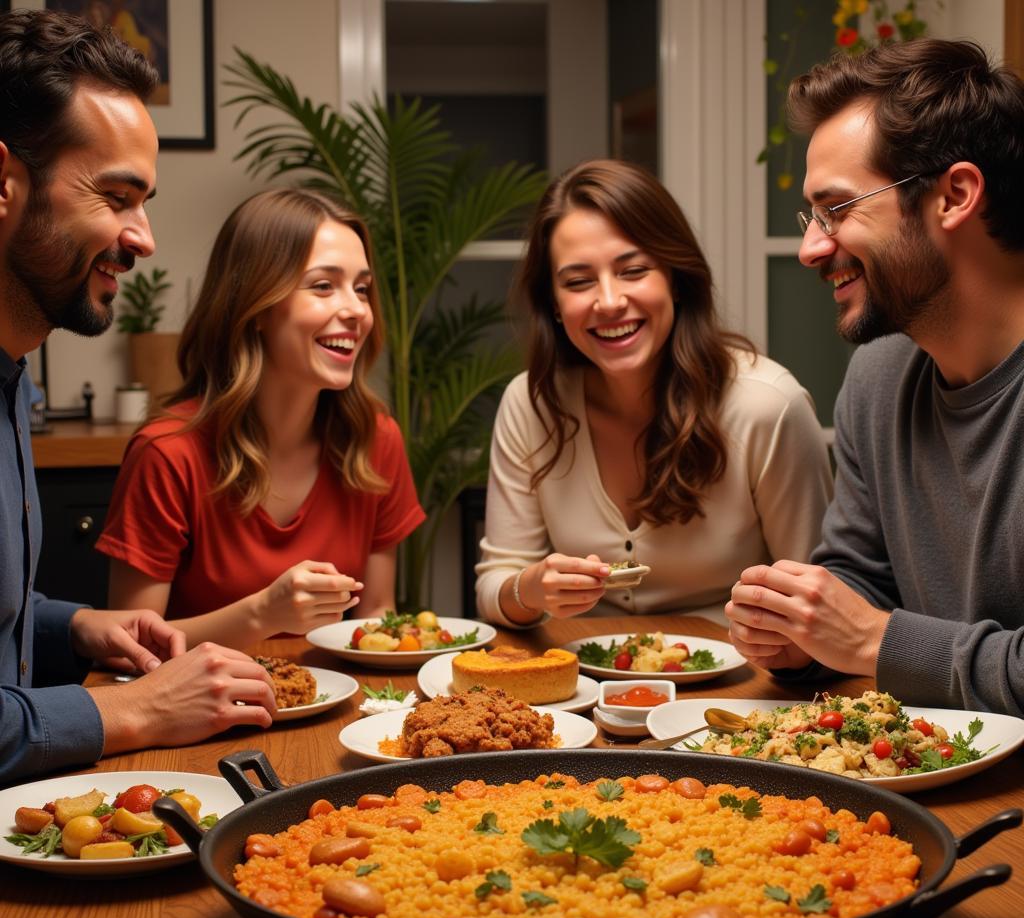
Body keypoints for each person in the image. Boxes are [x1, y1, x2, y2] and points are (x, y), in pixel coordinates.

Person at [0, 9, 277, 784]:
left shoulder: (12, 382)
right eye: (117, 197)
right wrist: (139, 710)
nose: (144, 237)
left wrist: (79, 626)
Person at [725, 39, 1024, 716]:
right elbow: (862, 578)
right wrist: (796, 631)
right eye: (811, 217)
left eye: (838, 210)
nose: (810, 248)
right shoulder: (878, 377)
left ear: (954, 195)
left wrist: (873, 641)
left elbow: (874, 633)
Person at [475, 159, 833, 627]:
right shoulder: (531, 404)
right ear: (555, 307)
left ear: (676, 278)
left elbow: (817, 596)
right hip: (576, 690)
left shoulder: (768, 407)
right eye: (578, 282)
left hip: (740, 687)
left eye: (633, 270)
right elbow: (493, 584)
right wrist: (531, 588)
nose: (608, 302)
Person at [96, 188, 425, 648]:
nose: (356, 310)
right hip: (204, 716)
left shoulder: (375, 438)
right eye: (324, 285)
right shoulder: (168, 454)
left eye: (362, 289)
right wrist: (263, 613)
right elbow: (129, 644)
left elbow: (375, 616)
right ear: (256, 307)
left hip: (342, 714)